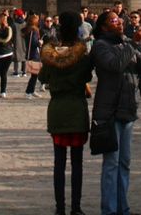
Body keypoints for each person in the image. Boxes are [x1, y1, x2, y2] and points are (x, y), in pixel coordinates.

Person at [91, 8, 141, 215]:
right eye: (114, 20)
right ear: (103, 26)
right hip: (109, 110)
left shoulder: (126, 42)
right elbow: (115, 65)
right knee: (112, 163)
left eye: (119, 20)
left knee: (124, 163)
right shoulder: (100, 46)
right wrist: (134, 43)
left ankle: (122, 208)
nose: (119, 22)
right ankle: (109, 210)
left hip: (127, 108)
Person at [39, 11, 92, 215]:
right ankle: (76, 207)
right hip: (77, 110)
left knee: (58, 164)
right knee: (77, 164)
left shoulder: (50, 55)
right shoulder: (82, 56)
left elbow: (43, 77)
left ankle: (59, 208)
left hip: (57, 111)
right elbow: (87, 75)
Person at [23, 12, 42, 98]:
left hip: (34, 54)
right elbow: (33, 43)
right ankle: (28, 92)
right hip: (33, 54)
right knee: (34, 75)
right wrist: (39, 43)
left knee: (35, 74)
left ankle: (32, 90)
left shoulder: (31, 30)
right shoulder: (32, 30)